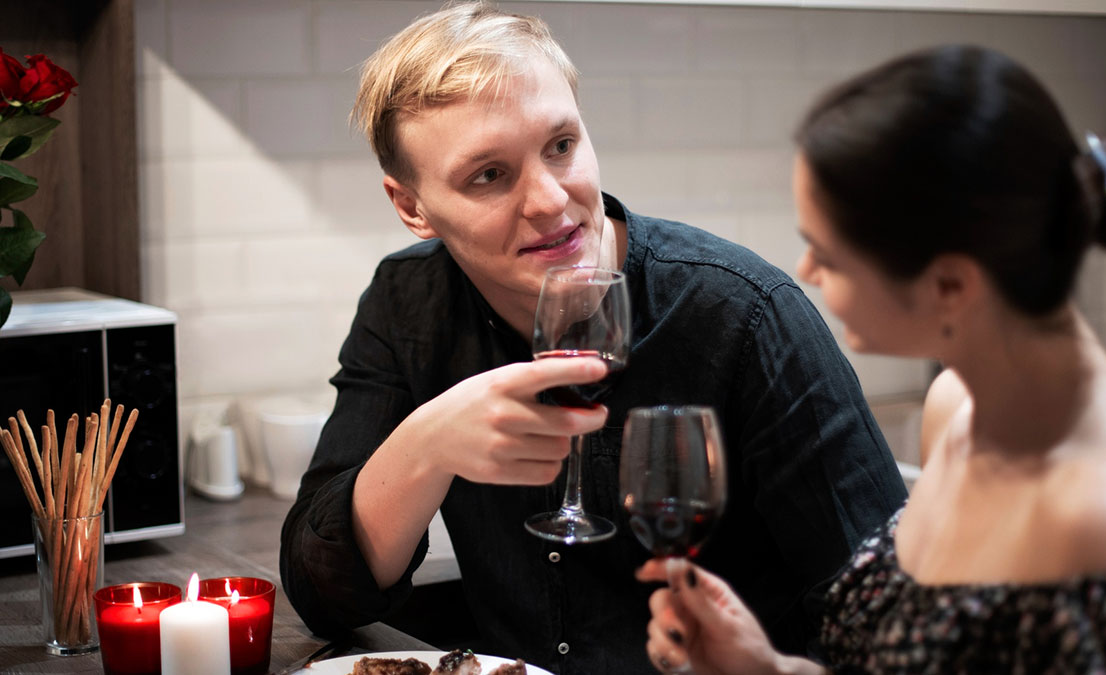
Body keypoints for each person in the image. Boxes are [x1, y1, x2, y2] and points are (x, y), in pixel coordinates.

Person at [278, 3, 907, 673]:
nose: (550, 200)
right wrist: (426, 445)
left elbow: (892, 625)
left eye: (561, 145)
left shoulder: (745, 315)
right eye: (489, 175)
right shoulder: (407, 303)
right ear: (412, 206)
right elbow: (322, 594)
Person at [640, 44, 1106, 674]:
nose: (807, 271)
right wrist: (769, 668)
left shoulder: (1103, 519)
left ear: (950, 285)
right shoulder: (957, 406)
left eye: (829, 255)